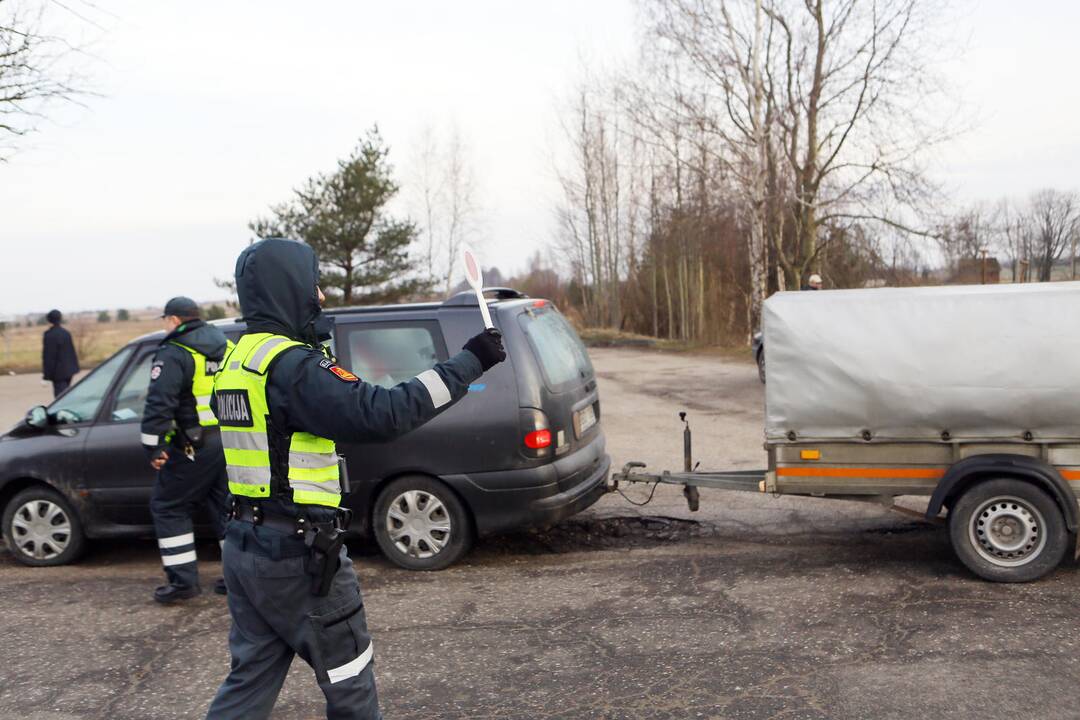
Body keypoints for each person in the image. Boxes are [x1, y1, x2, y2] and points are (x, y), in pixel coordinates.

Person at [205, 238, 505, 720]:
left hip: (244, 549)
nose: (320, 296)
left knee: (248, 682)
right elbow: (383, 414)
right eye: (312, 284)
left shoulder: (236, 363)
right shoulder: (293, 367)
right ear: (290, 290)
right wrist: (472, 361)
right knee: (351, 687)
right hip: (298, 556)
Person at [141, 296, 231, 603]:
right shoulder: (225, 346)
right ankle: (236, 578)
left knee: (168, 506)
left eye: (165, 320)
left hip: (195, 444)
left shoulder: (175, 352)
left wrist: (154, 446)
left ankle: (182, 584)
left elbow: (159, 403)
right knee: (225, 508)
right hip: (230, 441)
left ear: (175, 320)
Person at [41, 309, 79, 397]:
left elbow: (48, 357)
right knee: (66, 393)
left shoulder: (49, 335)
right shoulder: (66, 333)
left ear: (49, 320)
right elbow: (71, 351)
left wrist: (46, 376)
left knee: (60, 397)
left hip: (58, 373)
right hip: (69, 370)